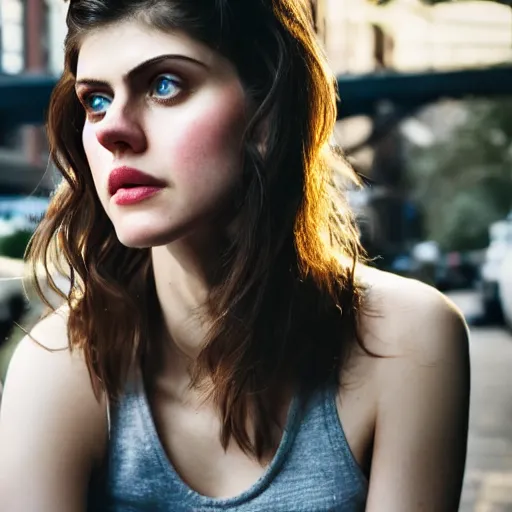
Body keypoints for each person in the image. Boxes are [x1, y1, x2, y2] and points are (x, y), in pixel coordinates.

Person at [0, 1, 470, 510]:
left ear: (267, 110)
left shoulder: (408, 342)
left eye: (164, 85)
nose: (112, 129)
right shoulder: (61, 367)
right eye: (96, 100)